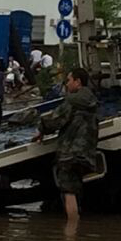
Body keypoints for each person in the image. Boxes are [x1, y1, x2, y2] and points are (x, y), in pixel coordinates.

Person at [33, 67, 99, 223]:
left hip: (69, 154)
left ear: (78, 81)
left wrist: (40, 129)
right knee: (76, 189)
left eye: (68, 80)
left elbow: (54, 121)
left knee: (68, 191)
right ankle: (76, 228)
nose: (67, 84)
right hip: (86, 153)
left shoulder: (72, 101)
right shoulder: (92, 100)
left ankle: (71, 232)